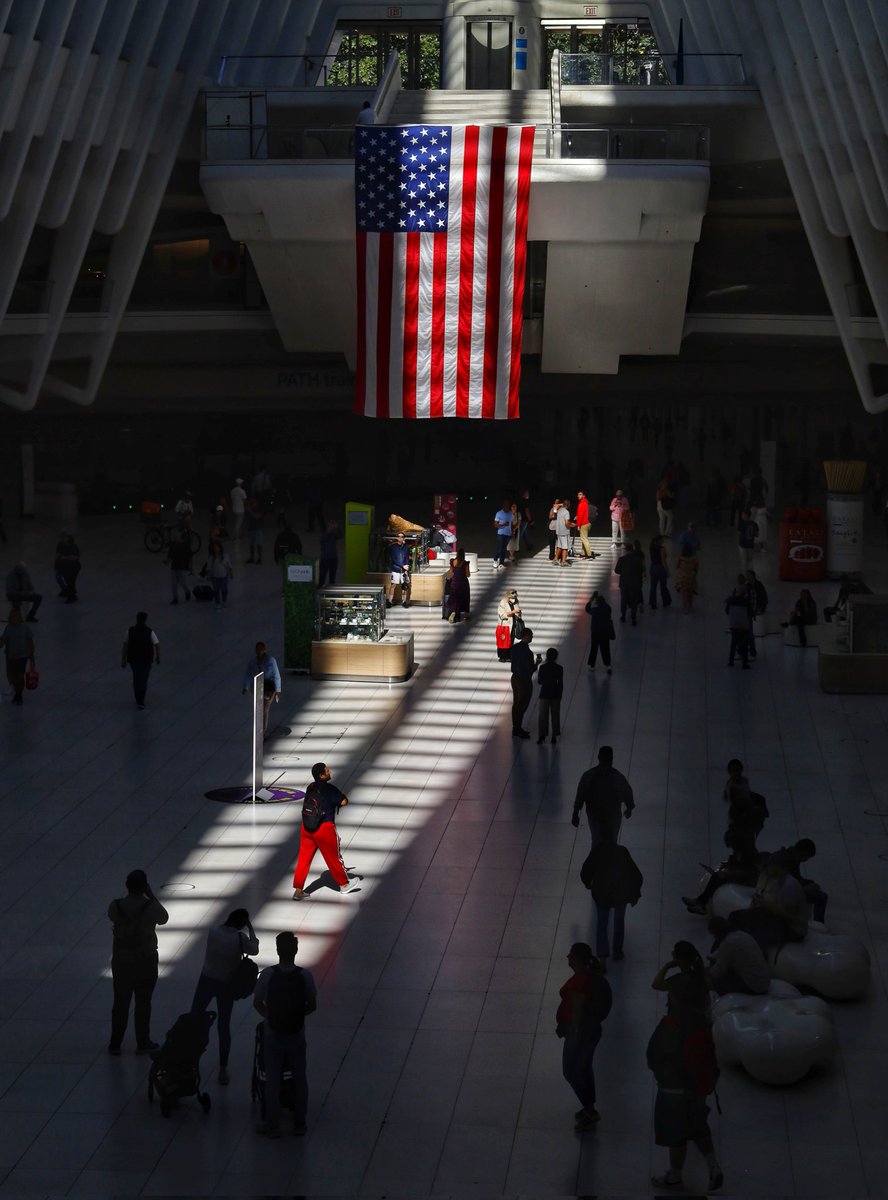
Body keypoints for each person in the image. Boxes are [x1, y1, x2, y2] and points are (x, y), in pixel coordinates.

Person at [648, 945, 723, 1193]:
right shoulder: (702, 992)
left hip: (674, 1085)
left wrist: (669, 967)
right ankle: (712, 1166)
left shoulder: (672, 1023)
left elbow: (656, 1055)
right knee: (698, 1124)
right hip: (698, 1081)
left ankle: (675, 1176)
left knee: (676, 1132)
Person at [253, 932, 317, 1137]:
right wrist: (298, 1015)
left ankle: (272, 1124)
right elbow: (312, 1005)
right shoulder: (305, 976)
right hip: (297, 1034)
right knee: (300, 1077)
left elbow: (257, 1002)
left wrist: (269, 1017)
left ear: (278, 950)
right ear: (296, 951)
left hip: (273, 1034)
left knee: (272, 1079)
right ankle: (300, 1122)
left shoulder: (268, 975)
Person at [191, 909, 259, 1083]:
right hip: (226, 985)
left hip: (206, 979)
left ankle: (189, 1058)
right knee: (224, 1025)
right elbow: (254, 950)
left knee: (194, 1017)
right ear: (242, 924)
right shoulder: (239, 938)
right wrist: (251, 930)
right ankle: (222, 1068)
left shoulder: (213, 931)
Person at [107, 869, 169, 1056]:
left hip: (121, 960)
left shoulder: (115, 906)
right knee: (143, 1002)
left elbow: (112, 918)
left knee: (120, 1001)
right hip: (145, 960)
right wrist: (151, 895)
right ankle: (142, 1041)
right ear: (144, 886)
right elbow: (164, 918)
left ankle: (115, 1043)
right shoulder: (150, 907)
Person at [555, 943, 612, 1132]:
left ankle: (589, 1109)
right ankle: (589, 1107)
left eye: (570, 954)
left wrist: (573, 1027)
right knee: (584, 1068)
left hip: (580, 1032)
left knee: (571, 1071)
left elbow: (577, 1004)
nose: (567, 957)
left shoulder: (580, 979)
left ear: (577, 958)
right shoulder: (592, 978)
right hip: (591, 1030)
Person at [292, 763, 360, 898]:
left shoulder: (310, 787)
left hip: (307, 827)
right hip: (324, 828)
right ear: (322, 775)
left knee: (303, 859)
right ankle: (344, 885)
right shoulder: (330, 789)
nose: (329, 771)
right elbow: (343, 802)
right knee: (333, 857)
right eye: (327, 771)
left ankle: (298, 890)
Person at [580, 828, 643, 969]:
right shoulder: (622, 851)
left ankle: (602, 958)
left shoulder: (597, 852)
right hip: (621, 894)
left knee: (602, 925)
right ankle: (617, 951)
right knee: (619, 921)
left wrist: (588, 883)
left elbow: (585, 871)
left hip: (602, 894)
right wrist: (635, 894)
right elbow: (635, 874)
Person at [730, 855, 809, 952]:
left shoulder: (789, 885)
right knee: (738, 917)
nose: (767, 868)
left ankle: (757, 957)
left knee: (754, 932)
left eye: (770, 865)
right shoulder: (780, 882)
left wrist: (764, 904)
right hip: (783, 922)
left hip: (793, 930)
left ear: (778, 866)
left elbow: (790, 915)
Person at [682, 825, 761, 914]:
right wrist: (728, 866)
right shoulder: (740, 850)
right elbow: (737, 864)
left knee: (717, 878)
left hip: (747, 880)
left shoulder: (748, 853)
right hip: (740, 874)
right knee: (717, 876)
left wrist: (728, 874)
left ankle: (701, 902)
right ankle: (701, 902)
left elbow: (748, 872)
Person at [571, 746, 635, 848]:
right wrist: (629, 807)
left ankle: (597, 860)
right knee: (611, 840)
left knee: (597, 840)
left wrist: (575, 813)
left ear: (598, 758)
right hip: (611, 814)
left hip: (595, 814)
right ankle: (607, 859)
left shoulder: (589, 776)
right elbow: (626, 791)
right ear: (611, 759)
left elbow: (580, 794)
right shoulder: (617, 777)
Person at [706, 916, 770, 996]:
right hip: (764, 980)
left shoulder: (728, 943)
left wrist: (706, 972)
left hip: (754, 986)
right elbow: (721, 952)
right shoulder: (741, 934)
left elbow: (717, 972)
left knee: (713, 982)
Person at [768, 838, 828, 922]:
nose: (805, 860)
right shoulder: (784, 859)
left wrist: (808, 883)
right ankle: (819, 924)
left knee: (820, 895)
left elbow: (795, 878)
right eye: (806, 857)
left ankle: (818, 923)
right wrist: (804, 888)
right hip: (778, 894)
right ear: (801, 853)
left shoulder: (791, 858)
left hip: (785, 890)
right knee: (821, 897)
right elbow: (783, 885)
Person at [241, 641, 281, 737]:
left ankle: (263, 732)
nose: (259, 651)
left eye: (260, 649)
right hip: (258, 688)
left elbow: (276, 675)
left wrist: (278, 690)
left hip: (269, 689)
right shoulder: (252, 663)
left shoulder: (271, 661)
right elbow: (248, 674)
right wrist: (245, 687)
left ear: (264, 650)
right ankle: (260, 729)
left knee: (265, 709)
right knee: (259, 709)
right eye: (257, 649)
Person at [122, 612, 160, 709]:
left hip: (133, 659)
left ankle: (138, 698)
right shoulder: (150, 632)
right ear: (145, 620)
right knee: (144, 679)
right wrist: (158, 656)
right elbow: (157, 644)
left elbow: (125, 645)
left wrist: (123, 658)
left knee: (136, 677)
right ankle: (141, 700)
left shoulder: (130, 631)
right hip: (146, 660)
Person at [1, 609, 35, 706]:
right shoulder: (8, 628)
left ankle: (18, 694)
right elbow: (3, 640)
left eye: (16, 616)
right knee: (11, 675)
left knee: (19, 676)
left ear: (20, 618)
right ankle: (15, 688)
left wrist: (31, 653)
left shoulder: (25, 628)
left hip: (22, 656)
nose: (14, 618)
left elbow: (30, 641)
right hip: (11, 656)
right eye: (12, 616)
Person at [510, 626, 540, 739]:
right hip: (524, 681)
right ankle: (518, 728)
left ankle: (515, 727)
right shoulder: (528, 653)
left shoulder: (515, 648)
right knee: (522, 704)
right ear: (526, 636)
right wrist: (537, 664)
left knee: (516, 703)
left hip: (515, 678)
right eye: (531, 635)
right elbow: (529, 669)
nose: (532, 637)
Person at [536, 647, 563, 744]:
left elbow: (539, 681)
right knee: (555, 715)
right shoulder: (559, 668)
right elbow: (560, 684)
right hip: (555, 695)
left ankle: (541, 736)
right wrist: (560, 695)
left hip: (544, 694)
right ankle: (554, 736)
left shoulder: (542, 668)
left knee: (543, 716)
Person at [725, 576, 753, 667]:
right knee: (744, 644)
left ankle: (731, 661)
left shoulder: (731, 600)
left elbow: (727, 611)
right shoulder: (745, 602)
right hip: (744, 625)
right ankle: (744, 663)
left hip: (734, 624)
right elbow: (750, 612)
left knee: (733, 643)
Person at [584, 591, 613, 673]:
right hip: (605, 632)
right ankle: (608, 665)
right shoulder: (608, 609)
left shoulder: (595, 610)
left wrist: (592, 599)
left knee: (594, 648)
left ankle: (592, 665)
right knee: (605, 648)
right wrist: (600, 600)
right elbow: (606, 606)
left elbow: (587, 609)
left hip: (595, 632)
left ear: (597, 603)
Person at [614, 543, 643, 625]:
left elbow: (616, 571)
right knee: (634, 601)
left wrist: (623, 572)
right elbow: (640, 570)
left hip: (624, 583)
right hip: (634, 583)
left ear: (626, 550)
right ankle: (633, 618)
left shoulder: (621, 559)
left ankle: (623, 616)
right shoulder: (638, 559)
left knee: (624, 600)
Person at [204, 539, 233, 609]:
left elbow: (229, 565)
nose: (216, 549)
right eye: (214, 548)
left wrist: (231, 573)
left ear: (220, 548)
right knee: (216, 590)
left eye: (217, 547)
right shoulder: (211, 557)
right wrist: (208, 575)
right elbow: (208, 567)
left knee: (224, 590)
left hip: (224, 576)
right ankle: (218, 603)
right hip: (215, 577)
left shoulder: (225, 556)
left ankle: (224, 600)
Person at [54, 532, 81, 602]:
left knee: (70, 580)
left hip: (72, 567)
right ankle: (68, 592)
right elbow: (58, 555)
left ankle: (71, 595)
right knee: (60, 578)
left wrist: (65, 557)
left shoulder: (73, 546)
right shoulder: (60, 544)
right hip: (62, 566)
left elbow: (75, 557)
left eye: (65, 537)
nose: (63, 539)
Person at [496, 588, 522, 662]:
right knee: (504, 641)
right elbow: (502, 614)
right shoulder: (503, 602)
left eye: (515, 596)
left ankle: (509, 656)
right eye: (513, 596)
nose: (514, 598)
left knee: (510, 641)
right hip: (505, 625)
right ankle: (502, 656)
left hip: (513, 624)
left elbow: (517, 610)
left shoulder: (516, 601)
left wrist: (519, 614)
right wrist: (512, 612)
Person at [386, 532, 411, 608]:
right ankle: (390, 601)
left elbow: (407, 558)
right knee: (393, 585)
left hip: (404, 570)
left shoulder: (406, 548)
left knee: (405, 586)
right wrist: (403, 566)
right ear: (397, 537)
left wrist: (407, 567)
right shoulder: (393, 547)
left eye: (402, 536)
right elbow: (394, 559)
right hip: (396, 569)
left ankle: (404, 601)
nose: (400, 538)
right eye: (399, 536)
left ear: (404, 538)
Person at [446, 548, 471, 623]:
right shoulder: (465, 563)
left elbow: (450, 573)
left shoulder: (453, 561)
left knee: (455, 597)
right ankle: (466, 615)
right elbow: (468, 575)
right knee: (465, 597)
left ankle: (454, 611)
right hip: (463, 583)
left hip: (454, 582)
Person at [168, 528, 192, 604]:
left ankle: (187, 591)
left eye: (177, 535)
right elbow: (170, 555)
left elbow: (189, 556)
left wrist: (190, 566)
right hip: (175, 566)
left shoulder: (185, 545)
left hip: (183, 566)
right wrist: (168, 561)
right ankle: (175, 598)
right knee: (174, 584)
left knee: (182, 583)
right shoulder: (173, 544)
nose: (175, 537)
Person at [649, 534, 672, 609]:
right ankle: (665, 601)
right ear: (659, 541)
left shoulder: (651, 548)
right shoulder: (662, 549)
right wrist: (667, 570)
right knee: (663, 586)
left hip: (653, 567)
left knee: (653, 586)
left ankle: (653, 603)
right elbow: (663, 561)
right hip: (660, 568)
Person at [674, 546, 699, 614]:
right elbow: (696, 568)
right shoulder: (694, 559)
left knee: (684, 593)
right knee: (690, 592)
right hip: (691, 577)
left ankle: (685, 608)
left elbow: (676, 566)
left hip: (683, 578)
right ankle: (690, 604)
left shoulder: (680, 559)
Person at [553, 499, 575, 566]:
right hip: (564, 532)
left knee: (559, 546)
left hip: (559, 531)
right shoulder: (566, 512)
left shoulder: (559, 510)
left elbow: (555, 506)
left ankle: (555, 559)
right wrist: (572, 525)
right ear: (568, 505)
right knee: (565, 547)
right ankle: (563, 561)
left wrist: (560, 504)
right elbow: (566, 523)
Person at [318, 521, 339, 586]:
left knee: (332, 577)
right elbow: (322, 539)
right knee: (322, 576)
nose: (331, 528)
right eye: (329, 526)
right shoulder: (323, 534)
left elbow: (340, 535)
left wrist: (336, 528)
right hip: (325, 558)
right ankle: (320, 590)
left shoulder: (334, 534)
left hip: (333, 558)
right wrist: (330, 530)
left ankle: (331, 591)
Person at [493, 501, 512, 568]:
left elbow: (511, 523)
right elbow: (495, 524)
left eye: (508, 506)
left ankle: (501, 563)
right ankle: (495, 559)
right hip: (500, 533)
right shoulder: (499, 513)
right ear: (503, 506)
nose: (507, 507)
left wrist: (512, 532)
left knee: (504, 549)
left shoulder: (510, 513)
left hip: (508, 534)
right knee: (500, 548)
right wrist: (503, 524)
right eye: (506, 506)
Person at [575, 491, 595, 558]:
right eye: (578, 495)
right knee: (584, 538)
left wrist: (578, 525)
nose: (578, 496)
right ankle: (583, 553)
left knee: (584, 539)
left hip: (584, 523)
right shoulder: (586, 502)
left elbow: (581, 515)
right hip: (587, 523)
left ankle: (589, 555)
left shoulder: (582, 503)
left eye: (580, 494)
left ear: (584, 496)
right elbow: (583, 514)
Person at [245, 497, 264, 564]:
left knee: (258, 545)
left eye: (252, 502)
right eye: (250, 503)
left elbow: (257, 516)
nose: (251, 504)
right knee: (251, 545)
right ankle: (252, 558)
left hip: (257, 529)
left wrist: (250, 511)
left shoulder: (258, 509)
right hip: (250, 529)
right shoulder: (248, 510)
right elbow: (247, 520)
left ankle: (259, 558)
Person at [518, 487, 534, 552]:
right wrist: (531, 520)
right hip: (524, 520)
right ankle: (514, 547)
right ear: (524, 494)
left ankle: (528, 545)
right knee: (520, 534)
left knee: (524, 533)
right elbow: (527, 512)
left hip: (519, 519)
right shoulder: (525, 502)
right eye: (527, 493)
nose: (528, 494)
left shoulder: (519, 500)